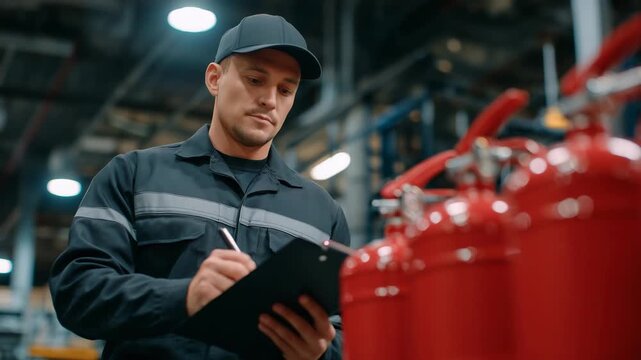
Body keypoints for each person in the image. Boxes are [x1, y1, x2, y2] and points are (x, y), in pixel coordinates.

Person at [49, 14, 351, 360]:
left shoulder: (322, 213)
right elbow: (76, 291)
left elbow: (350, 330)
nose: (270, 99)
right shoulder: (133, 175)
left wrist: (323, 352)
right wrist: (184, 298)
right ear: (214, 78)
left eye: (286, 89)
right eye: (255, 79)